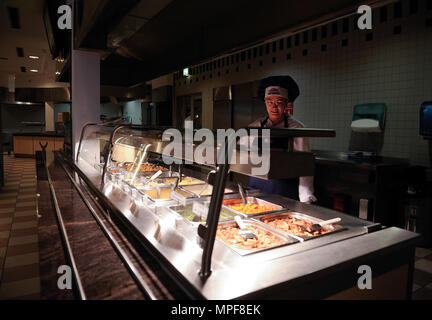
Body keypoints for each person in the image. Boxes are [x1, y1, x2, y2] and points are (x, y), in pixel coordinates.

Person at [248, 75, 317, 204]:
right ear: (265, 103)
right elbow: (238, 153)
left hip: (284, 188)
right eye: (270, 102)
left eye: (279, 102)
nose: (274, 107)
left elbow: (304, 164)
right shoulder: (254, 127)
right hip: (257, 185)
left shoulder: (297, 128)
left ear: (286, 103)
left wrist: (305, 196)